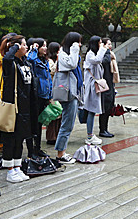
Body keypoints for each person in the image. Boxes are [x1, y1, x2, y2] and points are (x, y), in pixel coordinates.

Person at [0, 35, 35, 182]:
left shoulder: (25, 62)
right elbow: (6, 59)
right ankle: (10, 170)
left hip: (25, 106)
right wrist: (13, 46)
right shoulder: (11, 63)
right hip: (13, 105)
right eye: (23, 45)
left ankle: (17, 167)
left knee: (20, 138)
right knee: (11, 139)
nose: (26, 47)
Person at [54, 32, 82, 165]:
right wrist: (75, 49)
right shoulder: (63, 55)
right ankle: (60, 155)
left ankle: (62, 152)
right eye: (78, 42)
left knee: (68, 124)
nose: (80, 45)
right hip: (68, 93)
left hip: (73, 92)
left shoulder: (67, 54)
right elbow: (73, 64)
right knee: (66, 125)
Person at [80, 36, 107, 145]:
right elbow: (97, 60)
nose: (101, 45)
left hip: (94, 87)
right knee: (91, 110)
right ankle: (90, 136)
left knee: (92, 111)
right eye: (100, 43)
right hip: (91, 87)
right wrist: (103, 49)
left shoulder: (93, 54)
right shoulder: (90, 55)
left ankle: (90, 134)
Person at [29, 37, 54, 145]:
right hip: (37, 95)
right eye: (43, 46)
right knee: (34, 123)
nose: (45, 48)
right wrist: (34, 49)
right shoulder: (34, 60)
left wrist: (50, 95)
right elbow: (30, 59)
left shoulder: (45, 61)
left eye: (45, 45)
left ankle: (38, 147)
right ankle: (34, 147)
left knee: (40, 122)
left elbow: (48, 78)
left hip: (45, 94)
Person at [98, 38, 117, 138]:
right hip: (104, 86)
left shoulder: (111, 56)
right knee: (104, 109)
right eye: (108, 44)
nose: (110, 46)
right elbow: (105, 62)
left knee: (109, 108)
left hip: (110, 85)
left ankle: (105, 129)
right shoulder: (104, 55)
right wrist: (106, 51)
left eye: (110, 44)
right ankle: (102, 130)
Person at [45, 41, 61, 145]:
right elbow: (52, 70)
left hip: (57, 89)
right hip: (51, 90)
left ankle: (56, 135)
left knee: (58, 114)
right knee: (53, 114)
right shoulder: (49, 61)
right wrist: (58, 60)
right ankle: (51, 137)